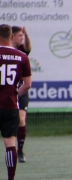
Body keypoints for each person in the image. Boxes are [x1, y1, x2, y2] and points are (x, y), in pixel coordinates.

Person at [0, 24, 32, 180]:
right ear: (11, 37)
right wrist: (15, 94)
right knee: (9, 143)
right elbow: (27, 84)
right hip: (10, 105)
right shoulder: (21, 57)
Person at [12, 26, 32, 163]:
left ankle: (20, 151)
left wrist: (26, 34)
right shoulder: (5, 51)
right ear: (12, 36)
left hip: (20, 90)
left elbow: (28, 47)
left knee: (21, 119)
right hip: (6, 90)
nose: (22, 38)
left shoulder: (21, 52)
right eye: (20, 36)